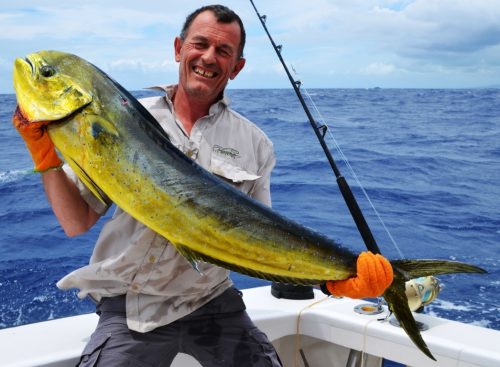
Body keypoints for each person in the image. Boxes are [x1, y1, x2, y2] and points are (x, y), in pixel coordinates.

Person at [13, 4, 393, 367]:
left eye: (223, 50)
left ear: (237, 66)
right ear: (179, 49)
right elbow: (75, 223)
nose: (209, 57)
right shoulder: (125, 119)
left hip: (213, 302)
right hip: (131, 306)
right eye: (200, 44)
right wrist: (46, 159)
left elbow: (262, 241)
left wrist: (335, 279)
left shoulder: (256, 143)